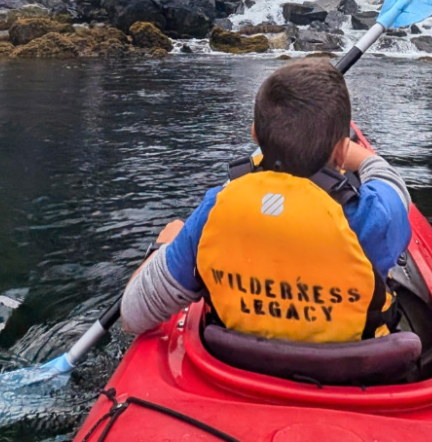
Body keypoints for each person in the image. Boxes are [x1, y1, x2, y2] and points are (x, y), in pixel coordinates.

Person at [121, 58, 412, 343]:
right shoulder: (372, 216)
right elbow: (391, 183)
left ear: (254, 135)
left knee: (173, 232)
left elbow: (133, 317)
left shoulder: (214, 212)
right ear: (340, 150)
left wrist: (160, 248)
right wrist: (352, 154)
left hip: (235, 368)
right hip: (350, 376)